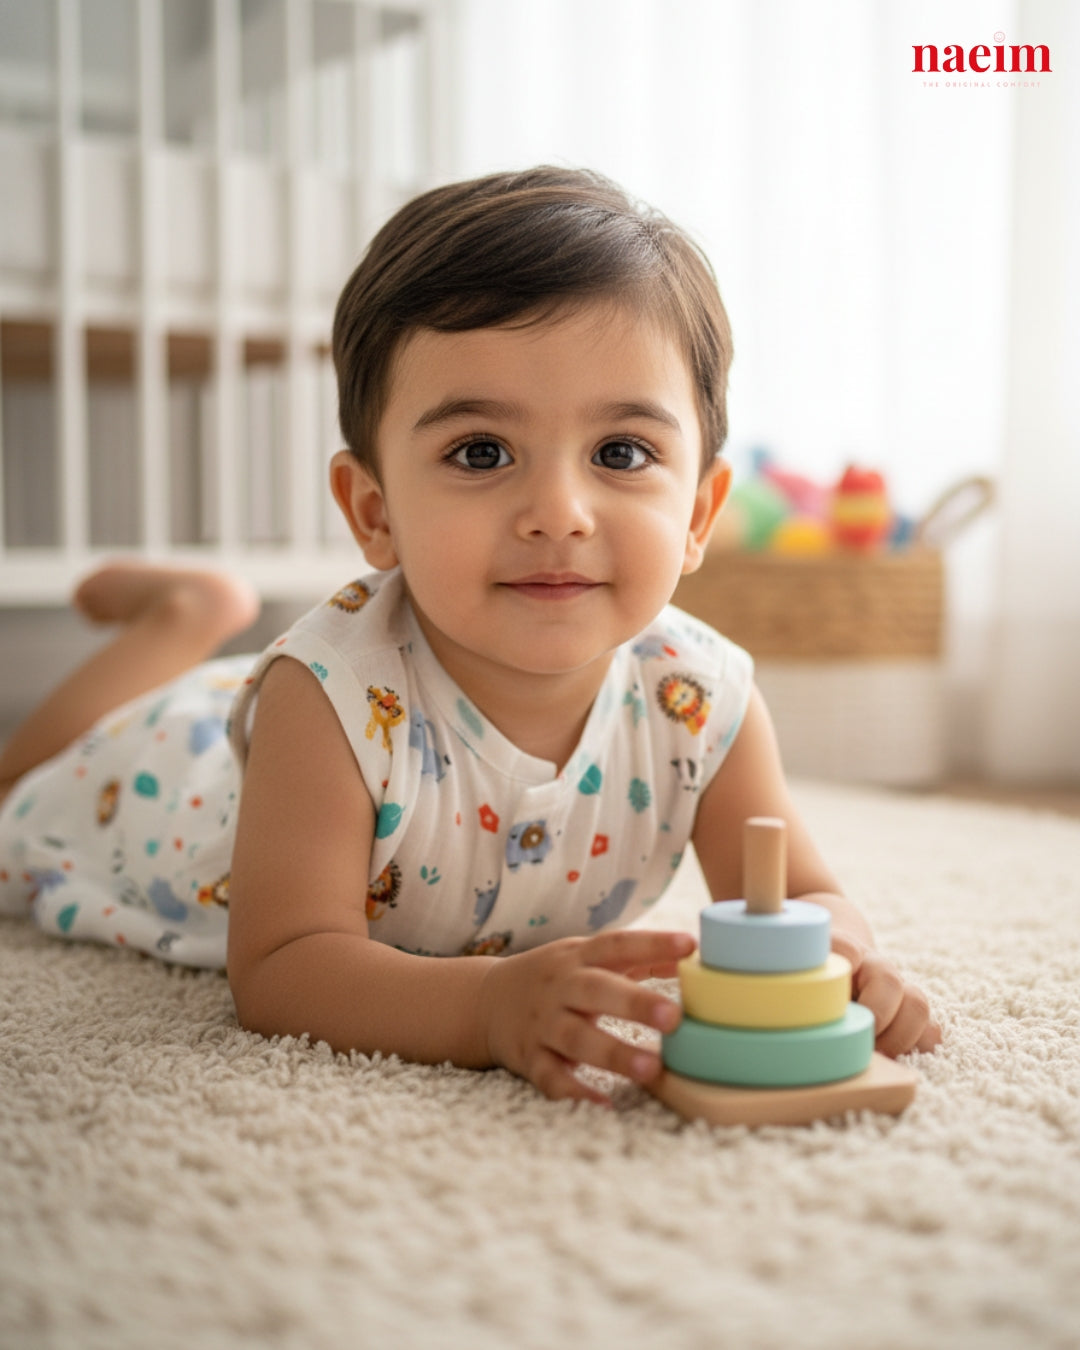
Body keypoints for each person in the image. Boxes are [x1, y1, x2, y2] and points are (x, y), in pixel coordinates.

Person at [0, 167, 941, 1105]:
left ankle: (197, 621)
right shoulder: (322, 699)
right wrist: (486, 1007)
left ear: (698, 514)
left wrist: (843, 959)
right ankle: (182, 620)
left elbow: (803, 893)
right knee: (24, 791)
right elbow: (284, 966)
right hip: (163, 785)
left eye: (621, 453)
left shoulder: (700, 698)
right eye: (481, 453)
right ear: (374, 512)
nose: (559, 512)